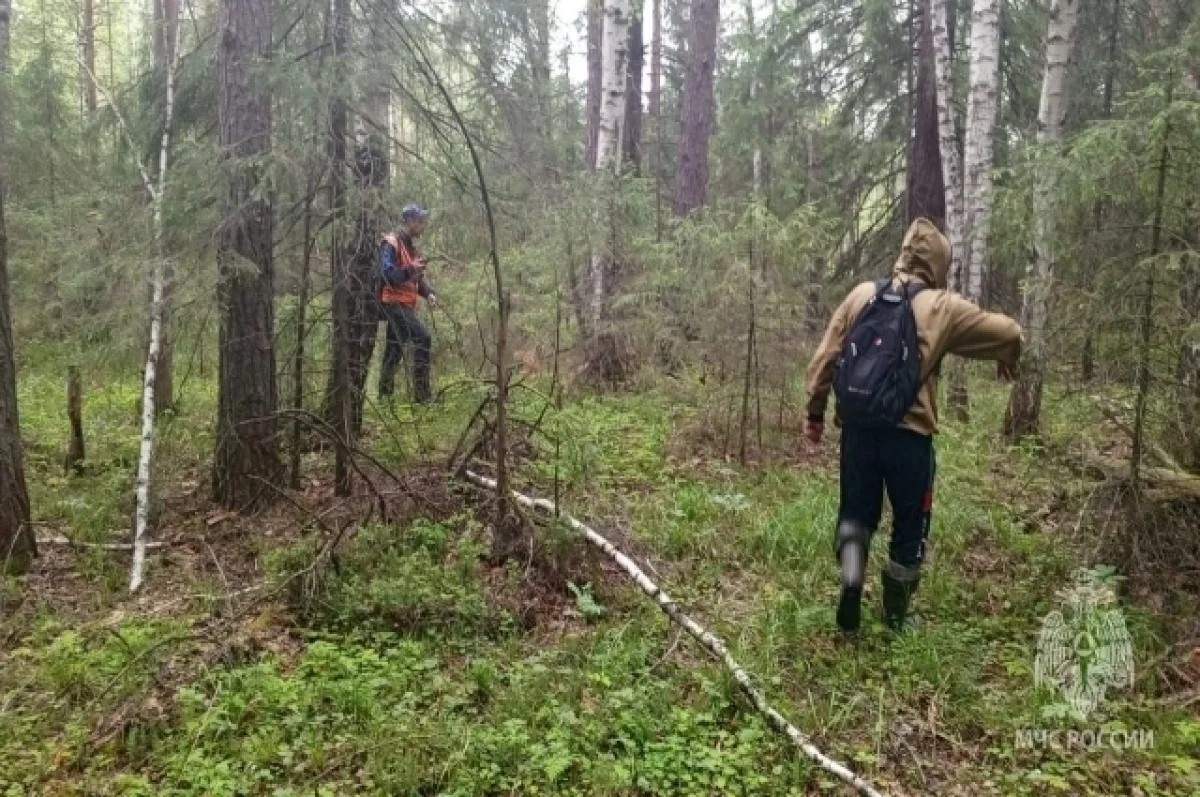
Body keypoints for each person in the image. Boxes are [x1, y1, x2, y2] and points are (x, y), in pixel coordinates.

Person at [804, 217, 1022, 633]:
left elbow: (825, 360)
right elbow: (1010, 332)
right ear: (938, 263)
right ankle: (896, 619)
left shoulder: (861, 295)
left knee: (855, 516)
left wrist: (815, 413)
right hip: (911, 441)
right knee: (909, 525)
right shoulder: (942, 307)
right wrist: (1006, 355)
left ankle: (850, 590)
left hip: (858, 433)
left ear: (903, 253)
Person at [378, 204, 438, 403]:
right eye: (419, 221)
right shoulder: (391, 244)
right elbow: (388, 276)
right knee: (423, 339)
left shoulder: (410, 248)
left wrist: (428, 293)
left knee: (393, 350)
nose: (422, 225)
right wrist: (411, 268)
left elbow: (415, 280)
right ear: (409, 221)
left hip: (403, 304)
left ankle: (384, 397)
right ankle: (423, 397)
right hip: (394, 304)